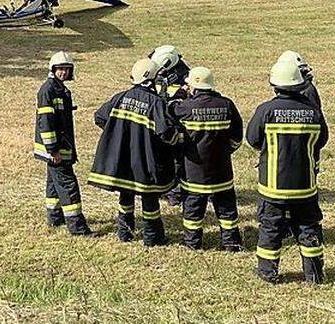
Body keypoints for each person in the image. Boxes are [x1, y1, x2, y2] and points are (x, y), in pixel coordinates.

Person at [246, 58, 329, 284]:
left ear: (275, 84)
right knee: (308, 227)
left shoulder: (265, 111)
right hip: (305, 186)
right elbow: (321, 141)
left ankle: (267, 272)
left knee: (270, 228)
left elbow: (252, 139)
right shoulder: (313, 112)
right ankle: (314, 274)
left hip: (272, 187)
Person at [87, 58, 182, 246]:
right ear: (151, 80)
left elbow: (99, 117)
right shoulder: (155, 103)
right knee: (149, 199)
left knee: (126, 194)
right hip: (145, 160)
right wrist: (178, 140)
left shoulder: (120, 97)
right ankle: (153, 237)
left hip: (122, 159)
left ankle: (124, 232)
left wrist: (117, 133)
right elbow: (165, 133)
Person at [171, 67, 244, 251]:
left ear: (192, 87)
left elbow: (168, 112)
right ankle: (231, 243)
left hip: (193, 172)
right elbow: (236, 137)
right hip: (222, 171)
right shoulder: (227, 104)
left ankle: (192, 243)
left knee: (193, 211)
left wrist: (180, 94)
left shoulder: (185, 107)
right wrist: (226, 153)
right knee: (227, 210)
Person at [33, 51, 93, 236]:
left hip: (58, 149)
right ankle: (78, 228)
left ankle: (55, 217)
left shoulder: (60, 89)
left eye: (67, 69)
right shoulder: (48, 90)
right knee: (68, 185)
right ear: (53, 69)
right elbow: (46, 123)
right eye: (60, 69)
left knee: (53, 182)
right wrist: (53, 150)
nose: (64, 72)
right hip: (55, 150)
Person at [150, 45, 190, 204]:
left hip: (176, 124)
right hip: (161, 121)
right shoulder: (160, 72)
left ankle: (175, 192)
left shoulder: (186, 77)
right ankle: (161, 188)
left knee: (177, 159)